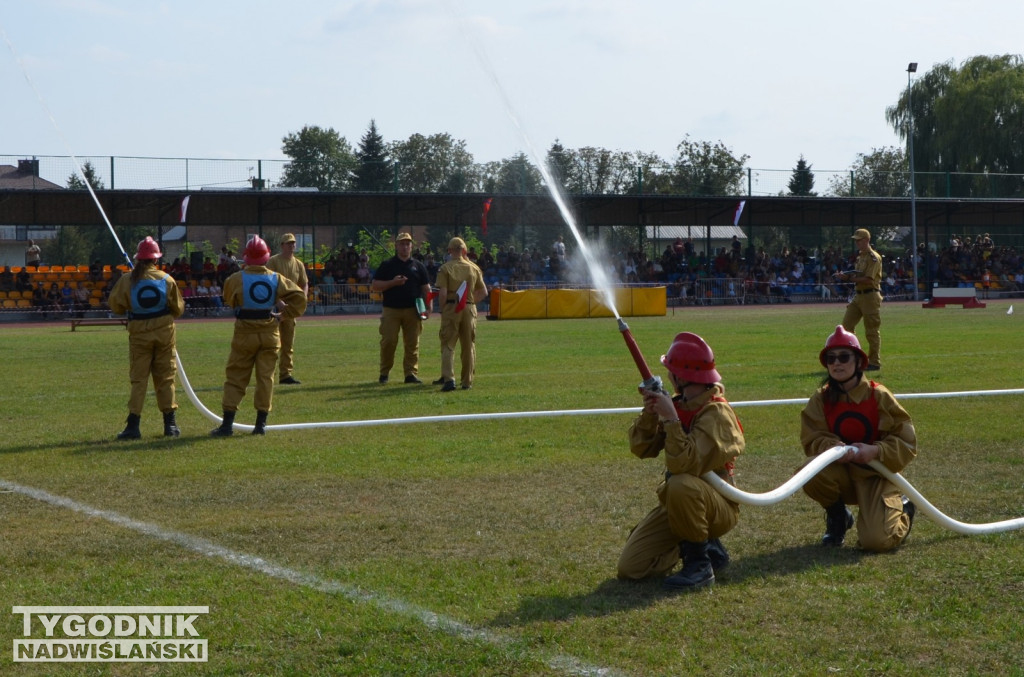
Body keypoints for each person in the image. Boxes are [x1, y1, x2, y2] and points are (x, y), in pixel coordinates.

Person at [617, 332, 744, 592]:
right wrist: (651, 415)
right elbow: (640, 448)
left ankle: (700, 565)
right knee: (632, 568)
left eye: (671, 370)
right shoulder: (679, 404)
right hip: (678, 502)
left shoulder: (717, 413)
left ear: (681, 377)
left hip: (716, 506)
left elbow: (683, 466)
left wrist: (672, 421)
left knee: (681, 483)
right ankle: (701, 544)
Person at [799, 325, 916, 551]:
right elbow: (812, 438)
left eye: (844, 357)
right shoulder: (821, 399)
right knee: (808, 471)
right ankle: (838, 518)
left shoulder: (878, 396)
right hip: (841, 473)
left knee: (876, 542)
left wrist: (876, 451)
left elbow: (906, 440)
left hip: (876, 475)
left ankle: (904, 508)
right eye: (831, 359)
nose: (837, 363)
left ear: (859, 362)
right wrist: (833, 447)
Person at [210, 236, 307, 437]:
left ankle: (227, 425)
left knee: (236, 376)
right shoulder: (275, 277)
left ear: (246, 258)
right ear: (266, 258)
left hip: (245, 332)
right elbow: (299, 297)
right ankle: (260, 425)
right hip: (269, 332)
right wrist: (285, 315)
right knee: (265, 379)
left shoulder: (235, 279)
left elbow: (230, 300)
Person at [107, 237, 186, 439]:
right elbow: (178, 309)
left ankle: (133, 425)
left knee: (139, 380)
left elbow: (116, 306)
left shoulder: (127, 280)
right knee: (166, 378)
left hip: (139, 334)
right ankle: (170, 425)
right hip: (164, 334)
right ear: (156, 259)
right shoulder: (167, 280)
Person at [370, 231, 431, 384]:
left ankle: (410, 374)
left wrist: (428, 307)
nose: (405, 247)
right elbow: (375, 286)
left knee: (412, 343)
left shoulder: (419, 266)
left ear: (411, 246)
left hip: (413, 310)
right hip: (391, 309)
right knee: (388, 341)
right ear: (396, 246)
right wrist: (393, 282)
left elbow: (426, 288)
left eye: (407, 244)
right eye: (402, 244)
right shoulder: (387, 265)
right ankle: (384, 373)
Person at [433, 237, 487, 391]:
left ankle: (449, 380)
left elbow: (442, 294)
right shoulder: (474, 268)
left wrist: (443, 309)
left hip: (451, 307)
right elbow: (483, 292)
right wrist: (470, 303)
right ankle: (467, 382)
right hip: (469, 308)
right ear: (464, 250)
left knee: (448, 344)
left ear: (450, 251)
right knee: (468, 345)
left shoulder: (445, 268)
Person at [834, 228, 882, 370]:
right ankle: (856, 357)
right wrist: (847, 277)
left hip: (870, 296)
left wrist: (850, 278)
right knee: (846, 327)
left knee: (871, 331)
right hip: (859, 295)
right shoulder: (860, 257)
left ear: (867, 240)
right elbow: (858, 277)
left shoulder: (874, 257)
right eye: (856, 240)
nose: (857, 243)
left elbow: (868, 279)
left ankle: (874, 362)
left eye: (859, 240)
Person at [265, 233, 309, 385]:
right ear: (282, 245)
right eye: (288, 243)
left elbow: (304, 283)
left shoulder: (298, 264)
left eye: (293, 243)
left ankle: (285, 375)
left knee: (288, 343)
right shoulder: (273, 261)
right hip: (274, 307)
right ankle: (267, 374)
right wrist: (279, 302)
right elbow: (268, 284)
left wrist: (302, 298)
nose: (292, 246)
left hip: (290, 309)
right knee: (271, 343)